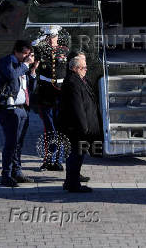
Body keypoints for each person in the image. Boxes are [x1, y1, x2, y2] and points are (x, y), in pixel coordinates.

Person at [0, 40, 39, 187]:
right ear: (16, 52)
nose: (27, 57)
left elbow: (30, 89)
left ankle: (17, 172)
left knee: (18, 144)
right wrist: (26, 65)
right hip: (9, 109)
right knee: (11, 143)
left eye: (29, 54)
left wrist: (32, 72)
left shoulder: (23, 67)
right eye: (25, 54)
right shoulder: (7, 61)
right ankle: (6, 175)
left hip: (23, 108)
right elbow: (11, 76)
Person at [59, 55, 102, 192]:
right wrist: (84, 128)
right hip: (76, 128)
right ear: (75, 68)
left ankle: (71, 181)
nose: (86, 70)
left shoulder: (81, 80)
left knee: (78, 156)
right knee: (75, 156)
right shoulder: (72, 82)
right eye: (83, 68)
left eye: (86, 67)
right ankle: (73, 184)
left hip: (81, 128)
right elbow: (77, 108)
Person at [34, 25, 69, 172]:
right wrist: (39, 40)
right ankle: (48, 160)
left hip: (60, 95)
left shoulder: (64, 50)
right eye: (49, 37)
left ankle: (57, 160)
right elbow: (33, 51)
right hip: (46, 94)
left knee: (60, 129)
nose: (51, 39)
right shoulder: (40, 49)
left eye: (53, 36)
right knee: (49, 130)